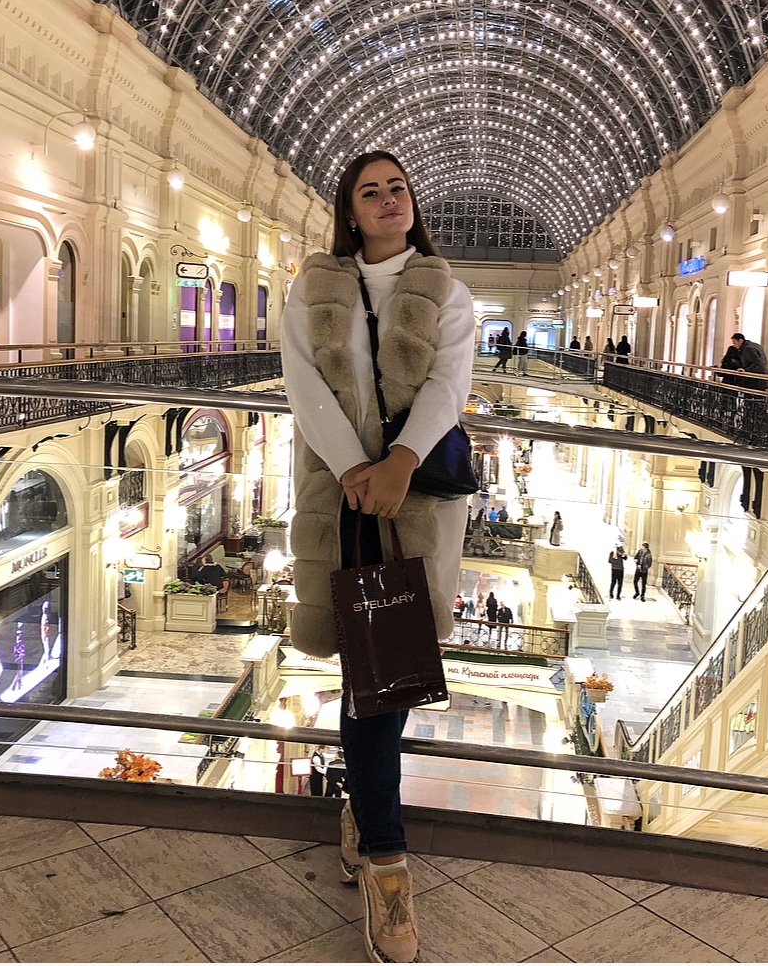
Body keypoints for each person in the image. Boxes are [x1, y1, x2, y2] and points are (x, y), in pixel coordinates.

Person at [280, 149, 475, 963]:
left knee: (383, 671)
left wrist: (397, 463)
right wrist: (355, 469)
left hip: (415, 502)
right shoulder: (310, 288)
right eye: (372, 191)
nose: (389, 199)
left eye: (398, 187)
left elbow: (448, 386)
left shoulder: (447, 290)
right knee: (375, 675)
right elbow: (302, 386)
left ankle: (367, 826)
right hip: (342, 498)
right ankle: (386, 863)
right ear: (350, 210)